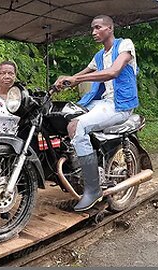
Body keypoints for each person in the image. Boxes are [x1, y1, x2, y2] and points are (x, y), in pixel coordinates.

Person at [54, 15, 139, 212]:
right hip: (101, 104)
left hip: (120, 106)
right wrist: (62, 82)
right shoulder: (99, 56)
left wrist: (75, 79)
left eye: (98, 27)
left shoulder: (124, 45)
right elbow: (80, 75)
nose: (94, 32)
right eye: (92, 29)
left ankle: (93, 189)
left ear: (110, 28)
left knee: (78, 125)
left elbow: (112, 72)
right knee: (64, 117)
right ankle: (77, 168)